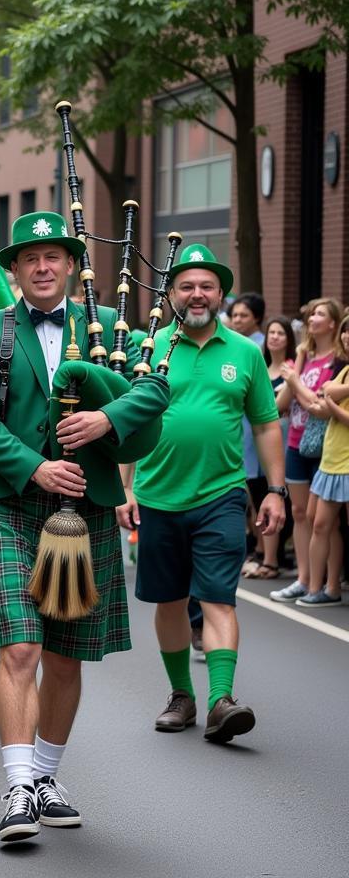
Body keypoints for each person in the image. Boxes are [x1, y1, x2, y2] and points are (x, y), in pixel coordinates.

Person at [0, 211, 168, 842]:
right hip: (11, 503)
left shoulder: (111, 326)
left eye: (54, 256)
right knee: (19, 646)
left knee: (65, 654)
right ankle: (18, 789)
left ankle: (48, 777)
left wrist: (107, 422)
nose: (43, 267)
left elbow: (154, 390)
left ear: (73, 266)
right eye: (30, 258)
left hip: (86, 507)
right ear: (15, 270)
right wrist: (36, 468)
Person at [119, 245, 285, 746]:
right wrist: (124, 488)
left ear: (221, 294)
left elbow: (266, 425)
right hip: (157, 496)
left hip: (222, 494)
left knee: (218, 599)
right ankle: (181, 696)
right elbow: (129, 421)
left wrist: (275, 490)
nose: (197, 294)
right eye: (186, 286)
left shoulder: (245, 353)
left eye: (207, 286)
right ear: (170, 295)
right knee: (168, 602)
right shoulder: (148, 351)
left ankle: (220, 701)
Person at [271, 298, 343, 602]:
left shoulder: (338, 361)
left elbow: (319, 404)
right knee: (299, 513)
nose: (312, 319)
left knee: (324, 520)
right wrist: (298, 364)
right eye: (311, 313)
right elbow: (280, 405)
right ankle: (303, 578)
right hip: (296, 442)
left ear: (333, 323)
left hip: (325, 446)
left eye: (320, 314)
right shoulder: (306, 356)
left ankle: (329, 581)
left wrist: (295, 380)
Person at [296, 314, 349, 606]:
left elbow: (332, 405)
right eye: (346, 331)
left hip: (347, 461)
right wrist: (330, 398)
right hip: (331, 458)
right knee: (318, 523)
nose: (347, 337)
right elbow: (326, 395)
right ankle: (320, 589)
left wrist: (330, 401)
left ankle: (329, 587)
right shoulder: (343, 370)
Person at [242, 316, 297, 579]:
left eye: (280, 333)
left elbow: (272, 409)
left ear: (290, 339)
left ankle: (273, 560)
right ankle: (261, 553)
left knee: (272, 496)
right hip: (250, 442)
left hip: (280, 441)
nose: (274, 337)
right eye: (271, 333)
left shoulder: (291, 369)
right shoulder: (260, 367)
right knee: (255, 497)